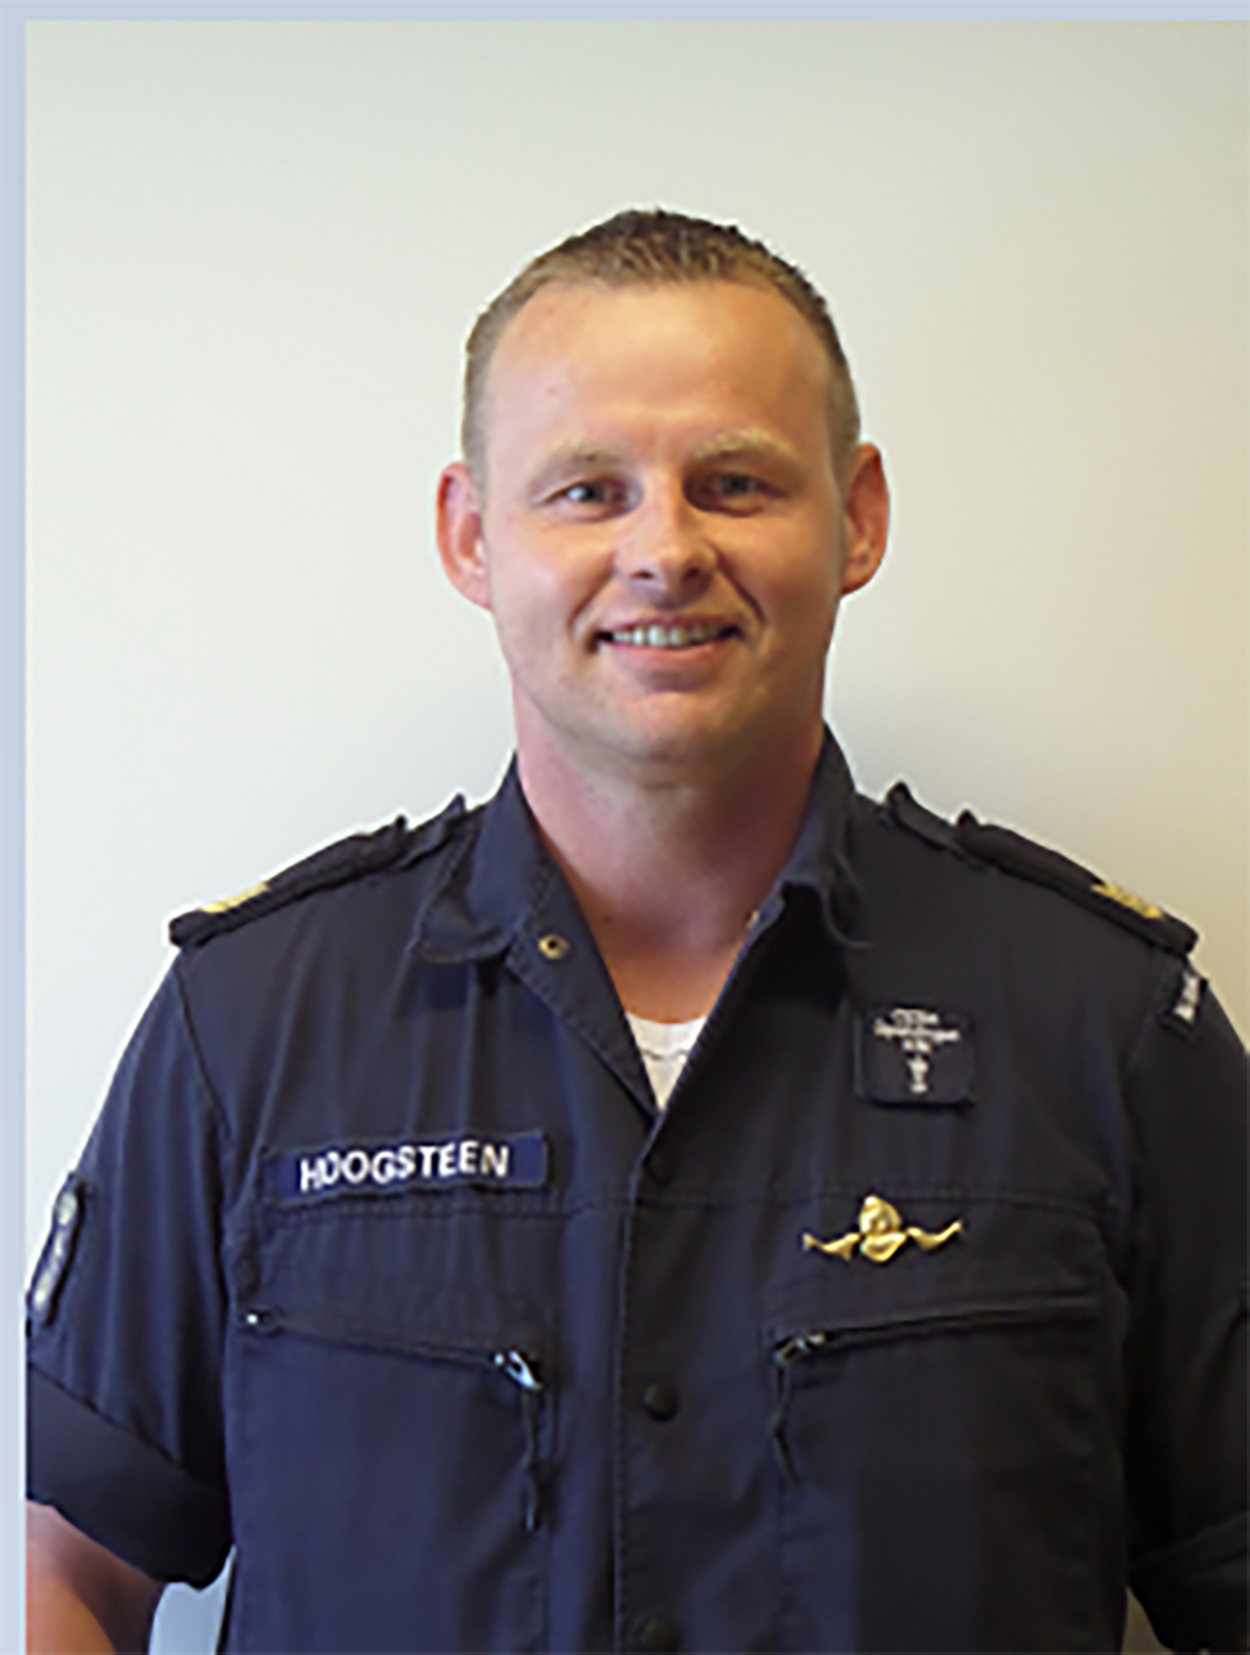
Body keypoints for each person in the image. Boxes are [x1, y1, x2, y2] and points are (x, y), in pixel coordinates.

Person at [26, 209, 1250, 1655]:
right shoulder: (251, 1027)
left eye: (734, 483)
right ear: (472, 535)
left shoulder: (1106, 1026)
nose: (664, 550)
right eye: (587, 491)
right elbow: (65, 1567)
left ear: (856, 516)